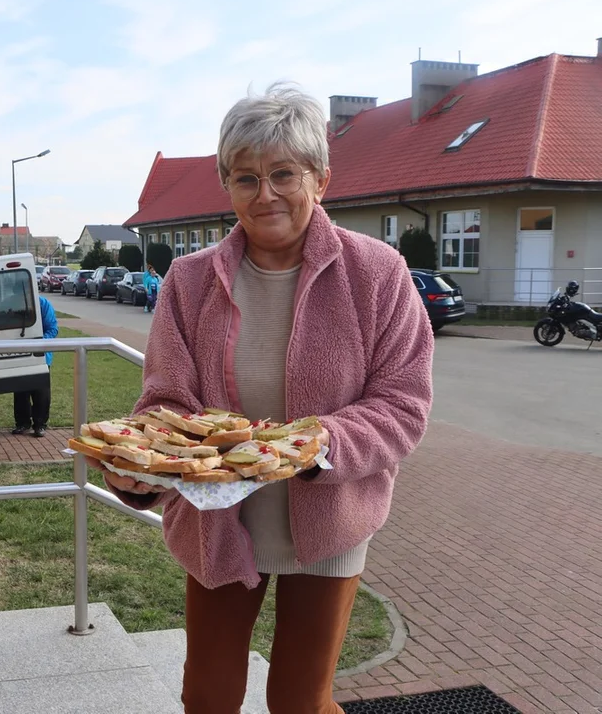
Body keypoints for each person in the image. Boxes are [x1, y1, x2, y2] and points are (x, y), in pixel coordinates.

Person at [97, 83, 434, 713]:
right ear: (227, 185)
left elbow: (403, 405)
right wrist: (142, 466)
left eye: (283, 173)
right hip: (219, 522)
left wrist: (315, 444)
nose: (265, 193)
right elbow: (164, 401)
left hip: (330, 515)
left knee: (300, 701)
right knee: (208, 695)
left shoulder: (377, 272)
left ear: (321, 179)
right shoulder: (190, 280)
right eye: (245, 177)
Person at [12, 294, 58, 438]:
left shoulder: (43, 304)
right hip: (19, 356)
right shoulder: (11, 303)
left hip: (41, 356)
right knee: (20, 392)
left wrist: (37, 344)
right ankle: (22, 423)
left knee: (41, 394)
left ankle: (40, 425)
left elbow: (52, 329)